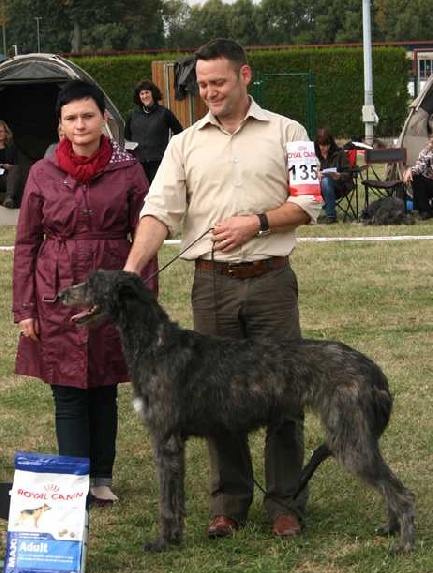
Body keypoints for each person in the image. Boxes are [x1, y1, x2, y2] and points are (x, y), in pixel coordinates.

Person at [124, 38, 322, 539]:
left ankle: (285, 503)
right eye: (202, 84)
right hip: (212, 285)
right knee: (215, 398)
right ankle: (228, 504)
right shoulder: (184, 144)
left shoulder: (289, 132)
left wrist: (256, 222)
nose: (208, 92)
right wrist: (131, 269)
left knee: (285, 393)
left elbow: (308, 202)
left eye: (218, 82)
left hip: (271, 281)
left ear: (244, 75)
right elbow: (158, 212)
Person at [12, 80, 158, 505]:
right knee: (67, 389)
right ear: (60, 124)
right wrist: (25, 308)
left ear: (104, 118)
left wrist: (143, 301)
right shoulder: (42, 173)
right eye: (71, 118)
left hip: (111, 286)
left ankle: (102, 478)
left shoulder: (128, 169)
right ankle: (74, 485)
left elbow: (145, 235)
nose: (80, 125)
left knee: (104, 385)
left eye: (88, 116)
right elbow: (26, 243)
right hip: (57, 289)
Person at [124, 79, 183, 183]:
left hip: (159, 163)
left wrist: (171, 151)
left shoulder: (164, 113)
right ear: (139, 96)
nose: (145, 96)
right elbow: (127, 136)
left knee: (159, 191)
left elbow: (180, 133)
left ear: (153, 93)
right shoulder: (133, 115)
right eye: (142, 93)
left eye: (147, 92)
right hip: (139, 164)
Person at [314, 127, 354, 224]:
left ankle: (331, 216)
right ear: (317, 144)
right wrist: (315, 174)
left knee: (326, 181)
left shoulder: (340, 154)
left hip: (338, 186)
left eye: (326, 145)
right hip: (316, 186)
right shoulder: (312, 154)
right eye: (321, 145)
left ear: (331, 143)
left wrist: (339, 175)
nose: (324, 148)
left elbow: (349, 173)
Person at [403, 134, 433, 219]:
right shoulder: (426, 152)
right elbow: (419, 167)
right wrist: (410, 171)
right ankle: (425, 210)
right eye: (431, 141)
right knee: (416, 177)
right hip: (430, 182)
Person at [0, 119, 22, 209]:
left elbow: (16, 166)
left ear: (6, 133)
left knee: (16, 168)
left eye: (1, 131)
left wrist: (9, 167)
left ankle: (9, 198)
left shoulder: (12, 149)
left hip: (6, 179)